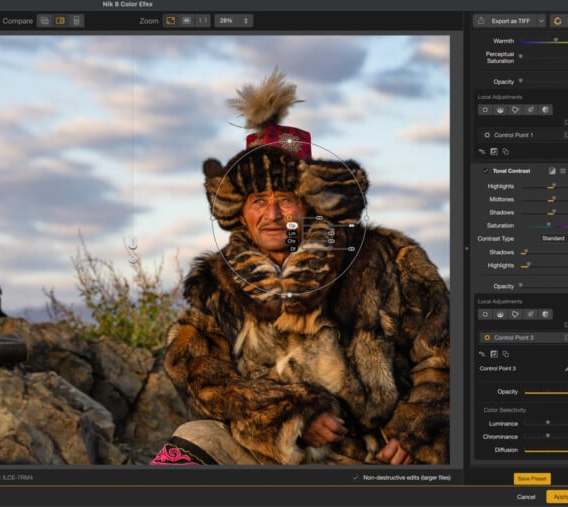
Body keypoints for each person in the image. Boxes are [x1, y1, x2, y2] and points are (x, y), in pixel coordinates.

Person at [152, 69, 449, 466]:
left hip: (377, 455)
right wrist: (288, 415)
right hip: (274, 452)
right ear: (241, 212)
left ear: (310, 203)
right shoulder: (215, 284)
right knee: (191, 443)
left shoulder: (387, 258)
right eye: (258, 200)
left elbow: (445, 354)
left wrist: (415, 431)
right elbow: (200, 374)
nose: (273, 214)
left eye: (286, 199)